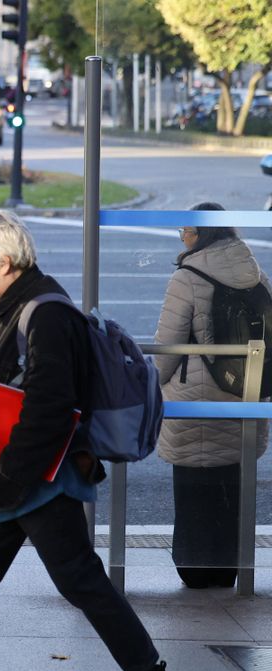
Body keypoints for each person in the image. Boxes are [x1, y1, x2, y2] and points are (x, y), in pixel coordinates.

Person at [0, 210, 165, 671]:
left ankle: (148, 669)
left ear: (4, 262)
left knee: (79, 580)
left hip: (35, 480)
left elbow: (50, 405)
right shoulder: (17, 306)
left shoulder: (45, 314)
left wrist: (11, 470)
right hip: (6, 478)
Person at [153, 202, 270, 589]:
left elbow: (166, 349)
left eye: (186, 229)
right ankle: (228, 569)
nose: (183, 236)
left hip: (194, 405)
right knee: (231, 490)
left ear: (203, 234)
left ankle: (195, 568)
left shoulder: (187, 277)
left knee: (194, 493)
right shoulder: (257, 275)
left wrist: (151, 392)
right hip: (245, 400)